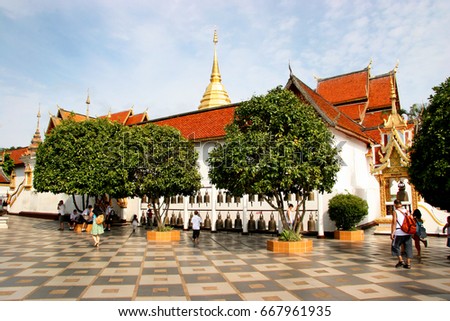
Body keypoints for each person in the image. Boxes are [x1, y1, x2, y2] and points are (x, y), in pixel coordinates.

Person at [391, 199, 413, 269]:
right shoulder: (407, 211)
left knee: (395, 246)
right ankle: (408, 264)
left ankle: (401, 260)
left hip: (399, 232)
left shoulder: (395, 212)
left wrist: (392, 232)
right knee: (408, 247)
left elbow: (394, 222)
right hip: (408, 232)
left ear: (395, 205)